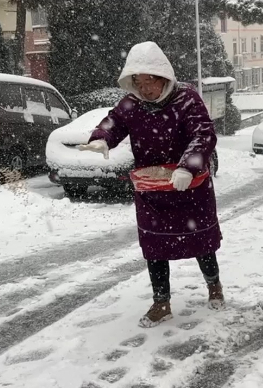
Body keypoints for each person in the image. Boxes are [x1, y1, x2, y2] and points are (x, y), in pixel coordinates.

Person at [78, 41, 224, 328]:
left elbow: (203, 134)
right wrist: (101, 138)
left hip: (189, 188)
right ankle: (161, 302)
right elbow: (114, 121)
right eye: (138, 82)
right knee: (154, 247)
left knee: (201, 241)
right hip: (152, 188)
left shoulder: (187, 99)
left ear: (164, 78)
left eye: (150, 81)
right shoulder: (132, 103)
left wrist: (188, 167)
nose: (144, 88)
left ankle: (214, 286)